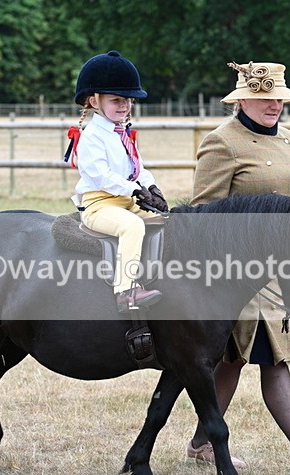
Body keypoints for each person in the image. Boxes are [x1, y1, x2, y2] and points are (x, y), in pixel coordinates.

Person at [186, 60, 290, 475]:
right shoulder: (221, 143)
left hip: (284, 269)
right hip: (237, 272)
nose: (273, 105)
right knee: (271, 358)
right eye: (264, 98)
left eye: (278, 97)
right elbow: (203, 212)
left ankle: (202, 442)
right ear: (242, 99)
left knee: (235, 359)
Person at [70, 50, 169, 313]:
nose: (124, 105)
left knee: (168, 223)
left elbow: (138, 168)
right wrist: (134, 190)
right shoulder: (92, 135)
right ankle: (125, 291)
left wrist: (151, 187)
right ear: (94, 101)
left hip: (127, 200)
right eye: (116, 100)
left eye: (128, 100)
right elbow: (101, 176)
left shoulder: (123, 133)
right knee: (132, 227)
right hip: (99, 205)